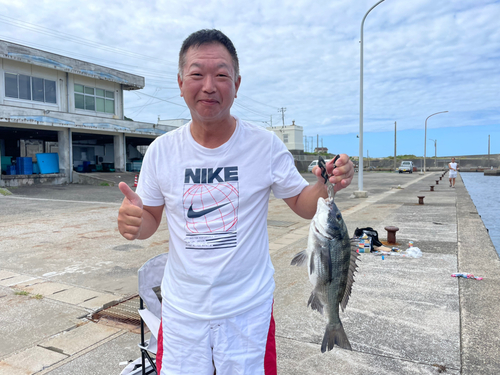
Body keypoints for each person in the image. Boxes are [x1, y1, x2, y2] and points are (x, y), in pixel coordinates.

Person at [117, 29, 354, 375]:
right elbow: (151, 219)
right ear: (181, 82)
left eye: (222, 75)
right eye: (197, 74)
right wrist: (135, 223)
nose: (209, 85)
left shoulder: (265, 145)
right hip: (183, 311)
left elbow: (304, 204)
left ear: (237, 83)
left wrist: (324, 184)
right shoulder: (161, 151)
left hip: (248, 310)